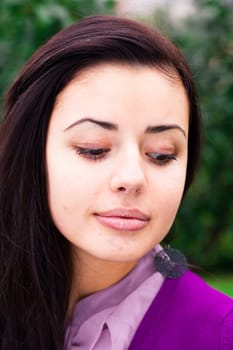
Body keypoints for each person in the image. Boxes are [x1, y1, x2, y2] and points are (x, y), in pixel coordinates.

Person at [0, 15, 232, 350]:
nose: (132, 179)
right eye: (93, 149)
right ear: (32, 152)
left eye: (161, 154)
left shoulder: (219, 334)